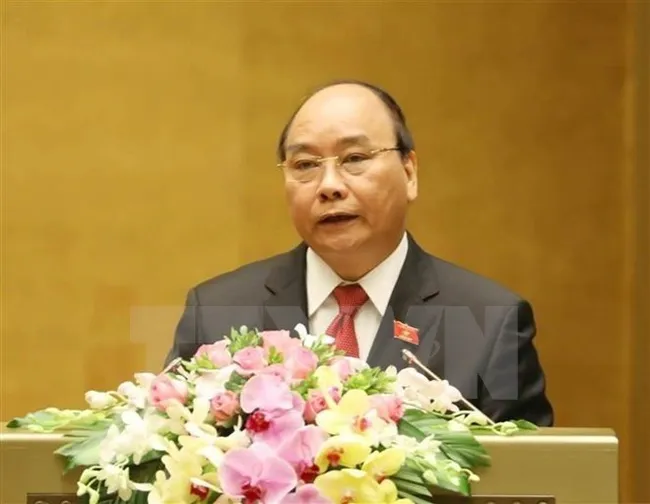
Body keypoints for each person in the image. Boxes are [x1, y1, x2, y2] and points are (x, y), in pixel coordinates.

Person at [164, 79, 554, 426]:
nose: (329, 185)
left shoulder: (490, 322)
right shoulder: (216, 312)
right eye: (305, 164)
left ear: (409, 172)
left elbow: (529, 481)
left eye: (355, 159)